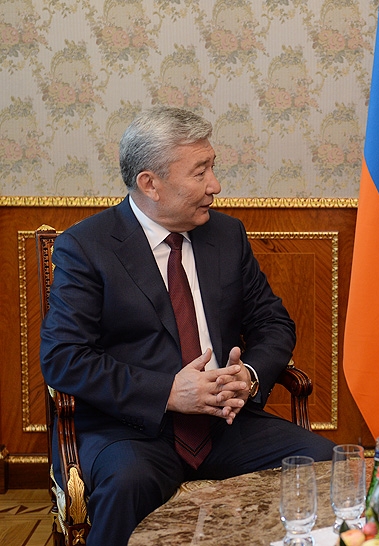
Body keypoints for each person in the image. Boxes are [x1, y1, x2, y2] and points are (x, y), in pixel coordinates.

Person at [40, 106, 335, 546]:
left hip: (224, 423)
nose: (215, 185)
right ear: (150, 183)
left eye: (212, 168)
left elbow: (272, 322)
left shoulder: (227, 235)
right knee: (128, 484)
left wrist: (249, 376)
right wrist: (168, 392)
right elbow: (64, 358)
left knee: (323, 460)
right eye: (200, 172)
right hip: (131, 429)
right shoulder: (86, 247)